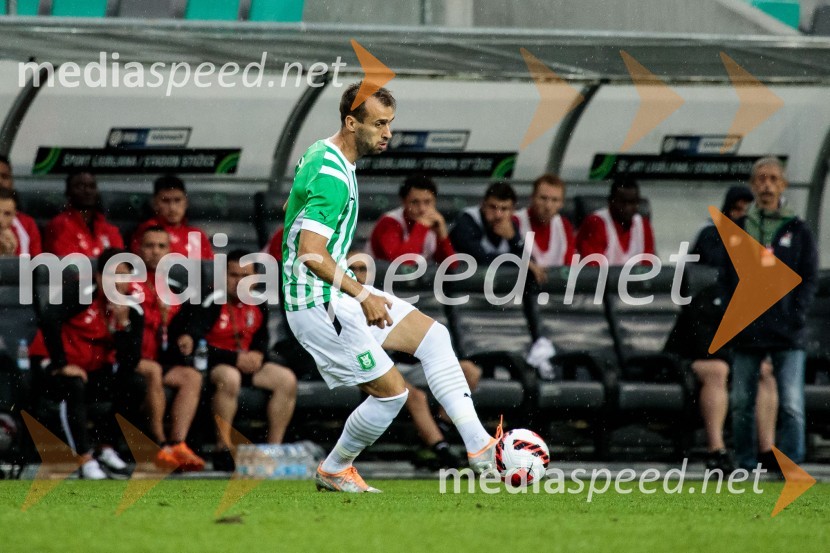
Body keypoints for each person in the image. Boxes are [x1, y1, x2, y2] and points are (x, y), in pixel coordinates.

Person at [282, 82, 500, 493]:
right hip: (316, 303)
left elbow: (293, 210)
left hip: (334, 294)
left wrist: (340, 259)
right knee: (391, 395)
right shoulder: (333, 176)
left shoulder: (321, 153)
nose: (388, 133)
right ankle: (335, 469)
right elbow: (310, 252)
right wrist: (362, 293)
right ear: (351, 123)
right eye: (379, 124)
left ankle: (479, 446)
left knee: (435, 337)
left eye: (390, 124)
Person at [719, 157, 818, 471]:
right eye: (761, 179)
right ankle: (745, 463)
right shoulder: (739, 229)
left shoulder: (798, 229)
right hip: (748, 329)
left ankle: (792, 462)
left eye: (774, 179)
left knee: (791, 402)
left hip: (787, 330)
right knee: (741, 402)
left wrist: (796, 312)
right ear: (752, 185)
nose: (767, 185)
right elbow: (726, 276)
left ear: (783, 185)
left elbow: (809, 276)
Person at [346, 251, 479, 469]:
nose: (357, 274)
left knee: (469, 371)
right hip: (371, 366)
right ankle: (442, 451)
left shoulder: (383, 298)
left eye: (362, 269)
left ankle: (439, 429)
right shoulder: (343, 302)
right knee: (415, 395)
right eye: (351, 269)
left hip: (405, 362)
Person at [173, 249, 297, 471]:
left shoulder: (258, 303)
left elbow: (261, 339)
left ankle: (273, 450)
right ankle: (224, 448)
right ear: (223, 277)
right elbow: (195, 343)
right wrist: (233, 358)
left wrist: (258, 355)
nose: (239, 281)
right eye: (233, 275)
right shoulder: (208, 301)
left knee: (286, 379)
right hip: (215, 365)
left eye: (245, 276)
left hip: (246, 363)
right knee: (230, 377)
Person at [682, 186, 778, 471]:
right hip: (696, 354)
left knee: (765, 371)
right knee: (718, 370)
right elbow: (701, 341)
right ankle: (717, 450)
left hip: (731, 354)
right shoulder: (705, 290)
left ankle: (767, 450)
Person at [29, 248, 145, 479]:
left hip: (92, 369)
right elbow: (50, 318)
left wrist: (123, 325)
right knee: (73, 384)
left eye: (123, 276)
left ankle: (106, 447)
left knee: (134, 383)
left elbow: (130, 361)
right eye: (112, 275)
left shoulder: (132, 308)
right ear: (99, 277)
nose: (117, 283)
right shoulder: (82, 292)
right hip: (54, 363)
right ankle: (83, 457)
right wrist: (61, 363)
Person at [133, 226, 205, 471]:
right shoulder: (126, 283)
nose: (155, 251)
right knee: (153, 371)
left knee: (192, 377)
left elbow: (189, 323)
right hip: (130, 358)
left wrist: (186, 336)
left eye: (161, 246)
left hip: (158, 359)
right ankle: (159, 445)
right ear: (138, 249)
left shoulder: (175, 289)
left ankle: (177, 444)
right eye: (149, 245)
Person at [367, 173, 455, 265]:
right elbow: (400, 264)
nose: (422, 209)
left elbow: (450, 266)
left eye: (427, 202)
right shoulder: (389, 222)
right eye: (415, 202)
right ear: (404, 202)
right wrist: (421, 227)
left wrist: (442, 236)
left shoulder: (434, 222)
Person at [575, 177, 656, 264]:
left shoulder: (643, 225)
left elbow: (648, 266)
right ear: (610, 201)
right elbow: (593, 267)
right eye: (623, 202)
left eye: (632, 202)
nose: (627, 208)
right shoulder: (596, 222)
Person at [130, 175, 214, 259]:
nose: (172, 208)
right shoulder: (148, 231)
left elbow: (211, 265)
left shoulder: (197, 234)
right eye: (165, 201)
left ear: (186, 202)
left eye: (177, 200)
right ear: (155, 203)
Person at [44, 171, 124, 257]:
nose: (87, 191)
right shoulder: (60, 225)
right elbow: (68, 262)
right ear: (68, 192)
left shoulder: (108, 228)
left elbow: (119, 261)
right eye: (81, 186)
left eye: (92, 186)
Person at [515, 173, 576, 269]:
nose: (548, 206)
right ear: (532, 198)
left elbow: (570, 266)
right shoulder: (515, 221)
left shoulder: (564, 225)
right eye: (543, 198)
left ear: (562, 203)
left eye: (555, 200)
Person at [0, 155, 42, 256]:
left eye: (4, 176)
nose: (0, 181)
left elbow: (36, 263)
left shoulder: (27, 224)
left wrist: (9, 255)